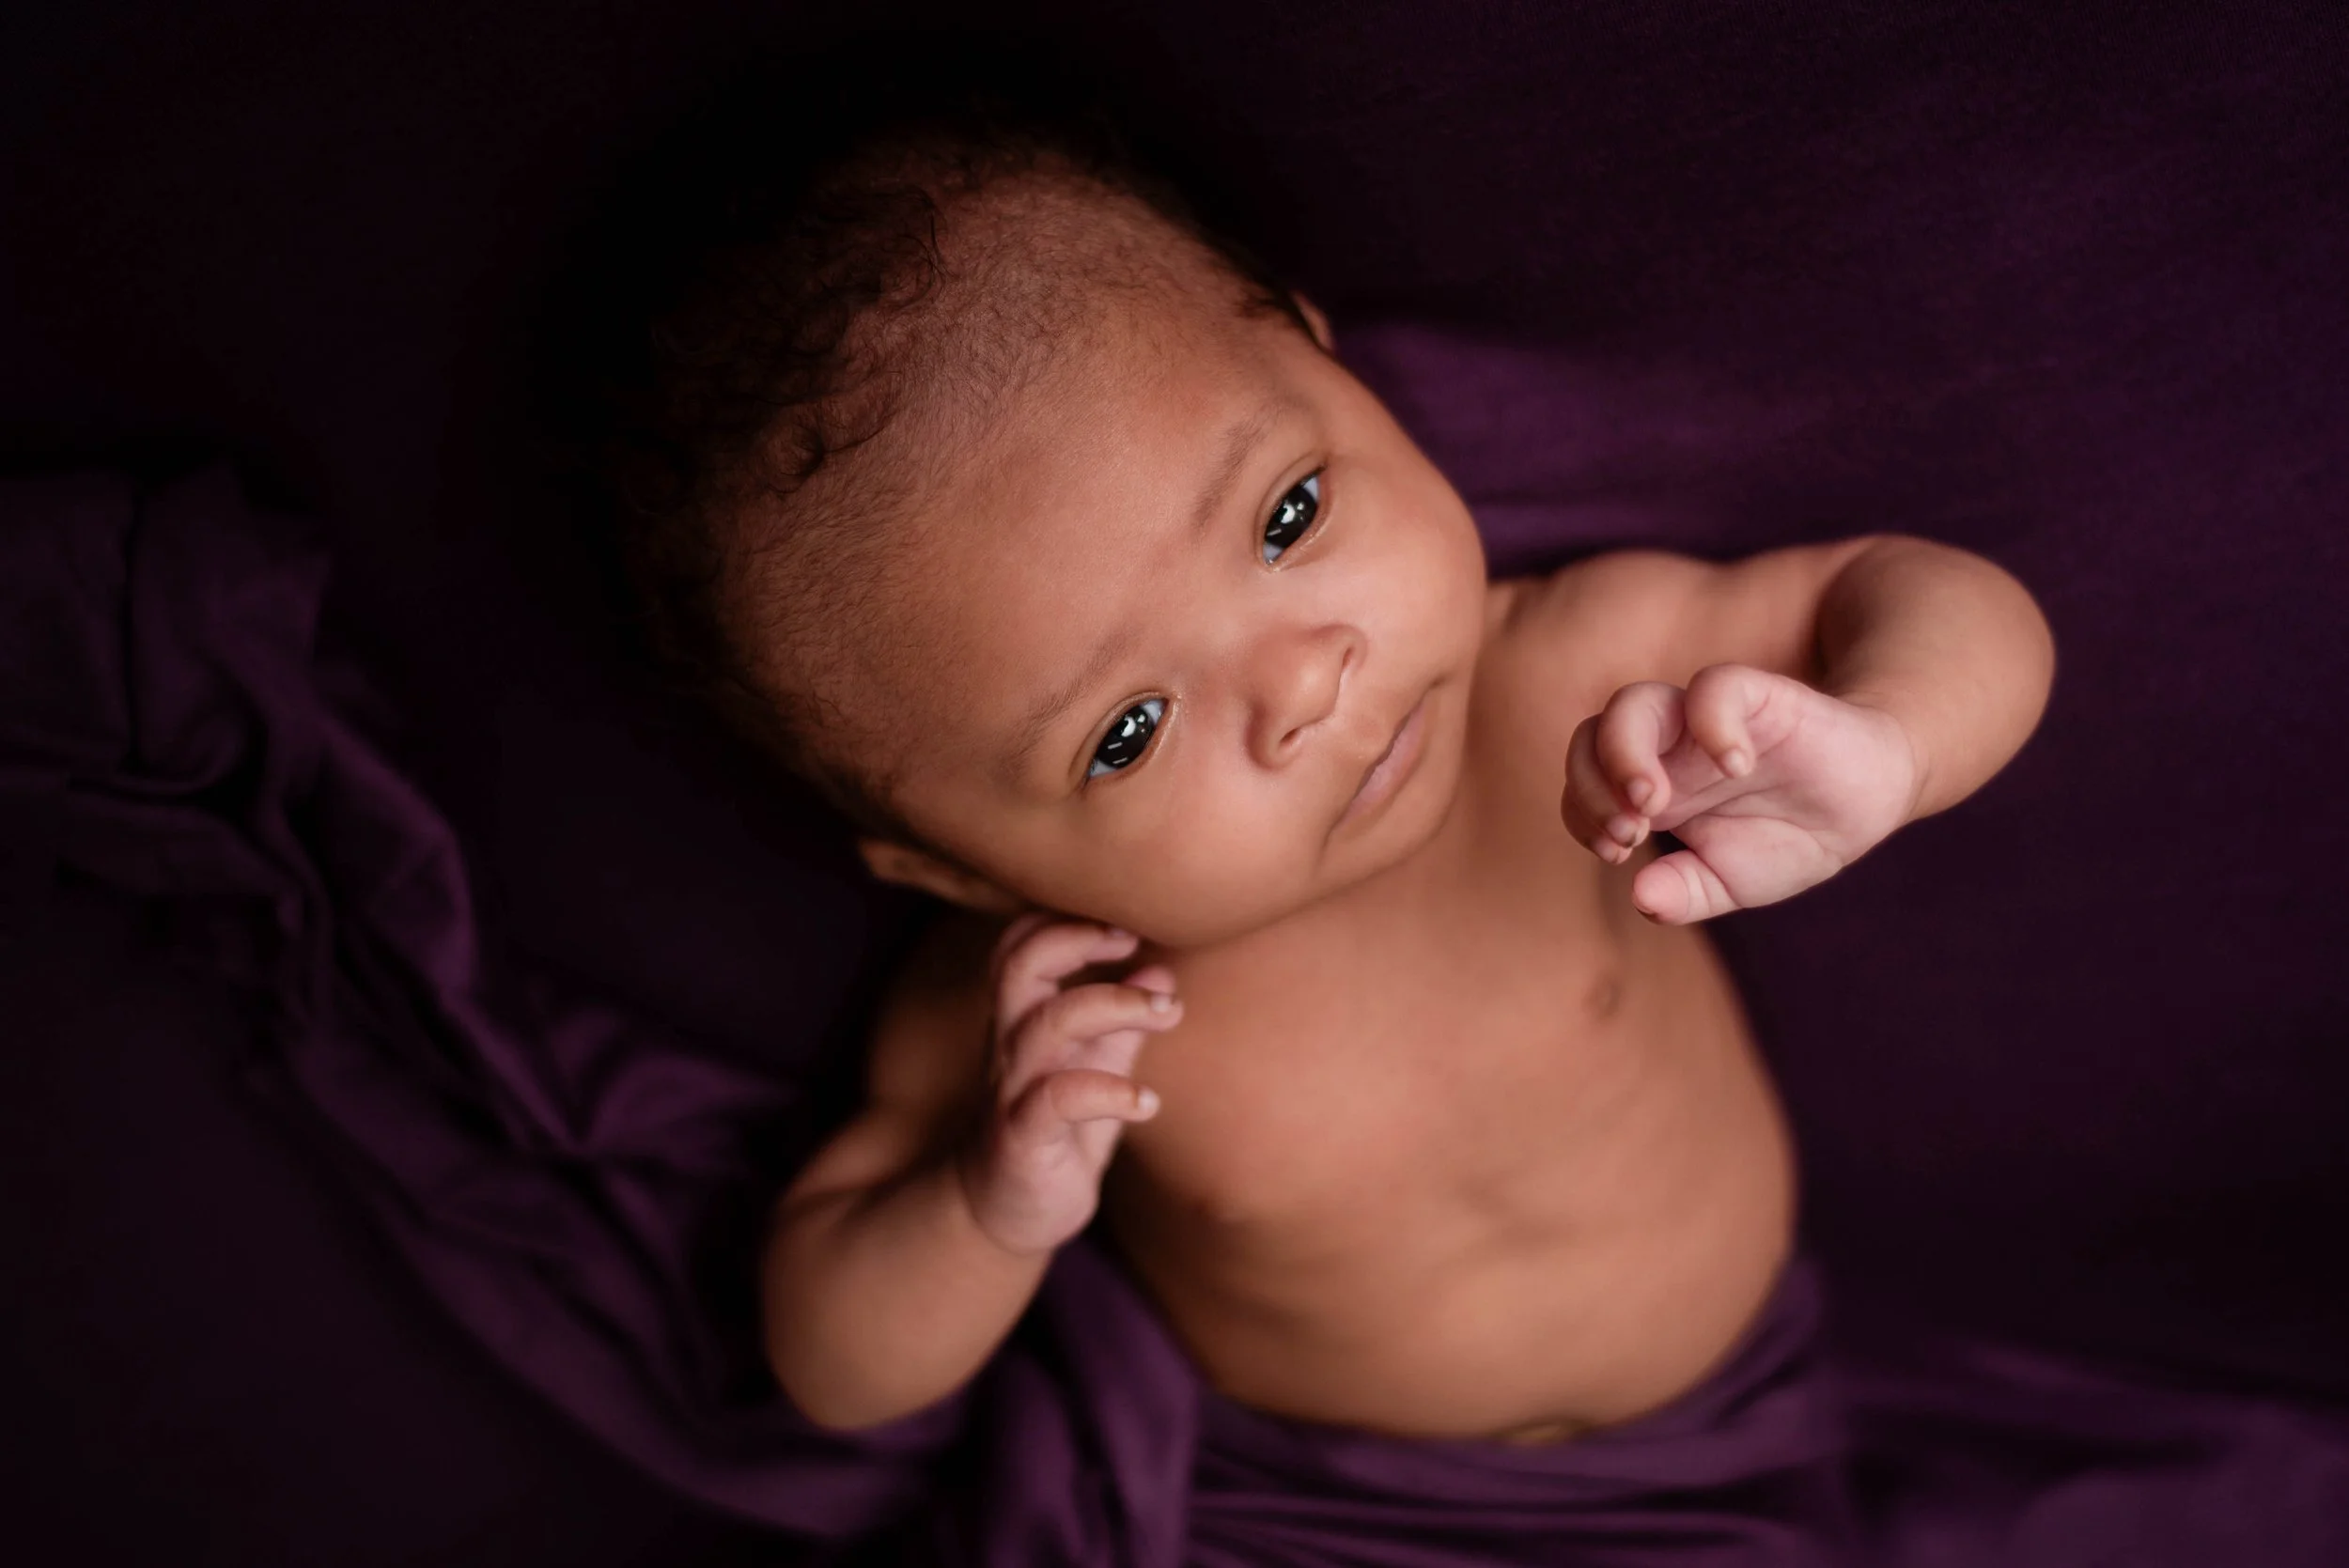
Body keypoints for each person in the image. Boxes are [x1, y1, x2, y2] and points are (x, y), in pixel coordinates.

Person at [600, 52, 2052, 1469]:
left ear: (1316, 350)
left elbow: (1929, 595)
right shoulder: (1062, 1016)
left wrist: (1890, 740)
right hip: (1322, 1512)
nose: (1304, 684)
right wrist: (990, 1206)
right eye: (1127, 732)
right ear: (958, 867)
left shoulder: (1569, 681)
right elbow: (831, 1371)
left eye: (1288, 515)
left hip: (1742, 1450)